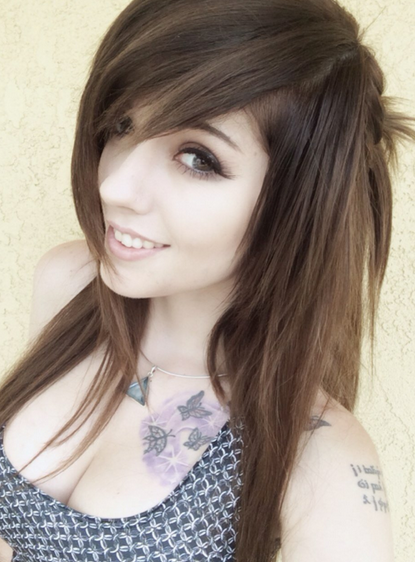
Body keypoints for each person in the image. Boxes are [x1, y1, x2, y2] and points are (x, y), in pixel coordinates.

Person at [0, 0, 414, 560]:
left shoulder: (314, 453)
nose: (115, 185)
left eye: (197, 158)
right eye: (122, 124)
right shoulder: (70, 284)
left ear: (297, 203)